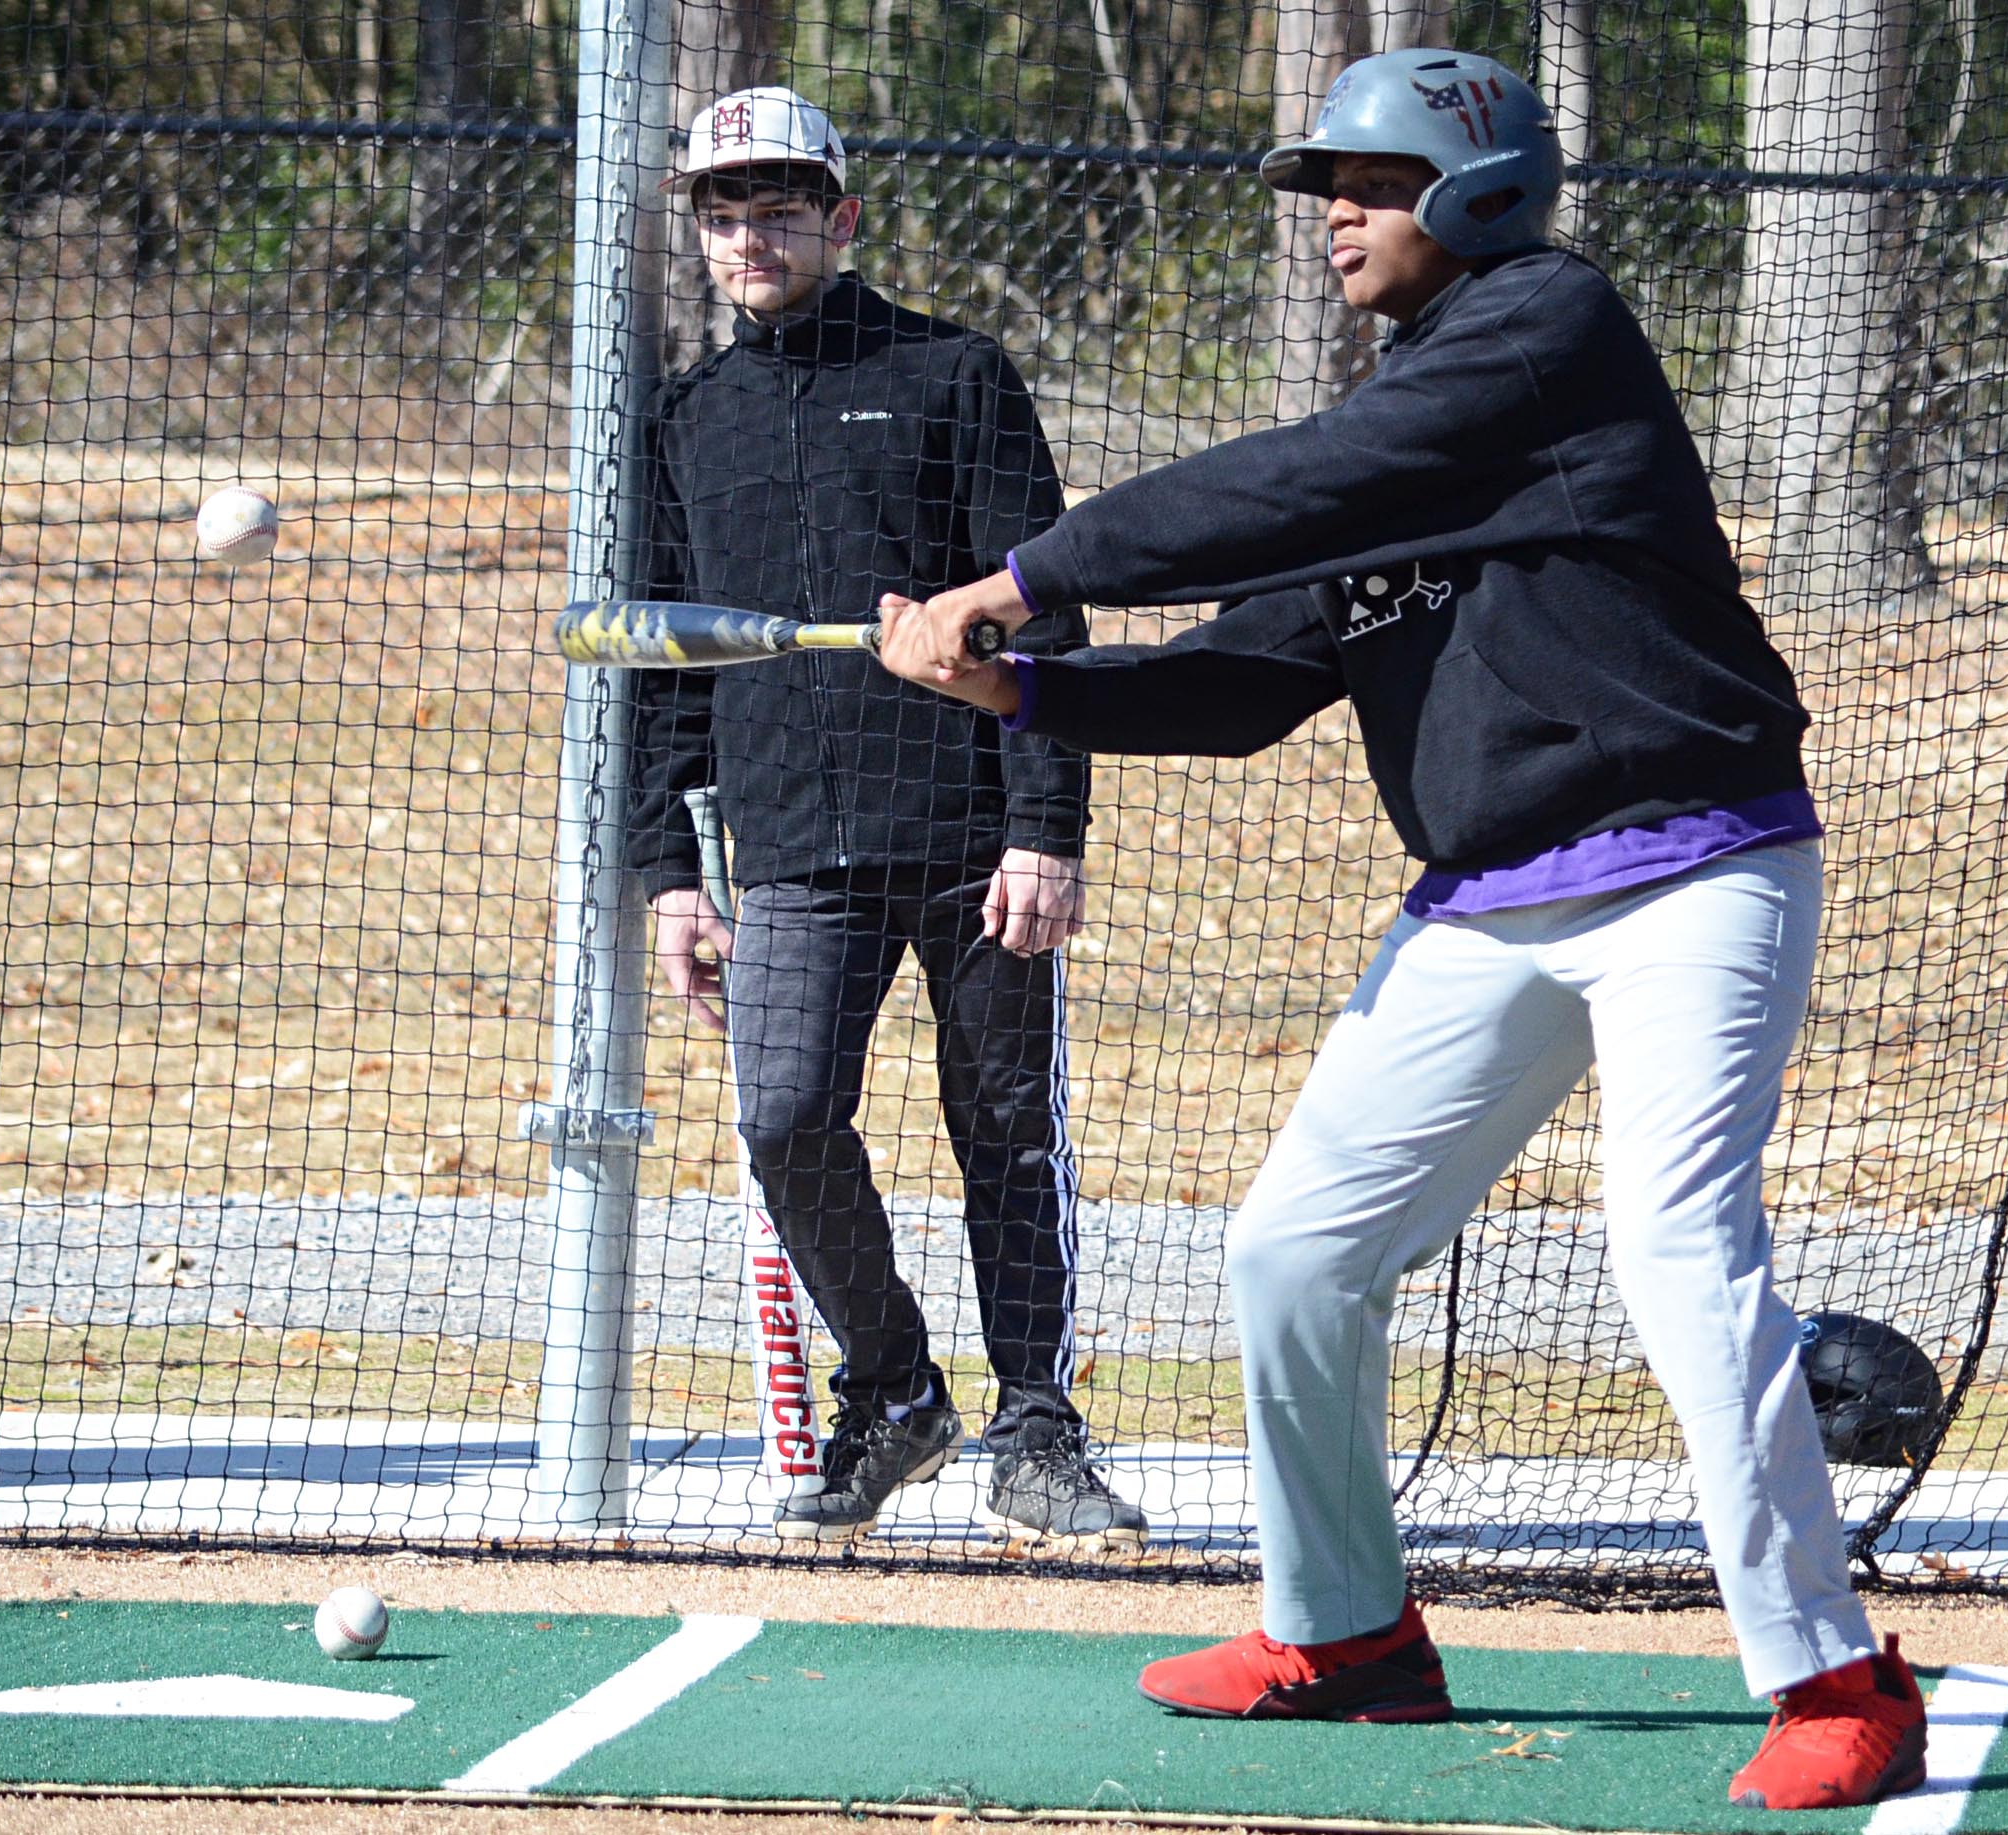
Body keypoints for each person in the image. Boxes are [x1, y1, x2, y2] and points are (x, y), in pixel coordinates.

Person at [876, 49, 1927, 1812]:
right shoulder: (1403, 431)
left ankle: (1835, 1674)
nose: (1336, 214)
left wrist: (1032, 575)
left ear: (1476, 190)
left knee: (1676, 1255)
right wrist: (1024, 689)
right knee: (1294, 1254)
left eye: (1366, 179)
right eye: (1323, 187)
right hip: (1494, 902)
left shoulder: (1543, 331)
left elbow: (1302, 478)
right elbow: (1248, 680)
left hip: (1692, 867)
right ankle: (1347, 1635)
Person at [627, 85, 1146, 1550]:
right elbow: (669, 666)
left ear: (842, 220)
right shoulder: (687, 417)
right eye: (724, 213)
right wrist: (673, 870)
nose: (751, 235)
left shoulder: (953, 374)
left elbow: (1046, 615)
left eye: (782, 208)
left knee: (1005, 1136)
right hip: (787, 848)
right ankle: (900, 1392)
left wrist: (1050, 829)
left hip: (978, 835)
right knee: (785, 1120)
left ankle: (1036, 1432)